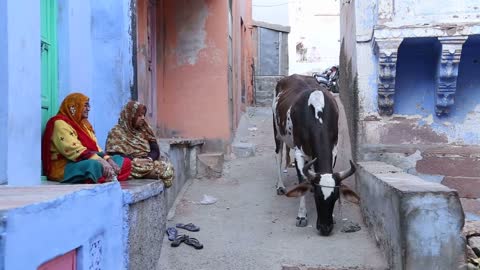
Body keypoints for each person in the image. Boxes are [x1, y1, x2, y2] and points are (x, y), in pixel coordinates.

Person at [42, 93, 132, 183]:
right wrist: (101, 161)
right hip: (65, 165)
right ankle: (104, 176)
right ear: (73, 107)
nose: (88, 109)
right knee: (93, 165)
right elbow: (74, 150)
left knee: (124, 162)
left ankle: (102, 177)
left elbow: (97, 148)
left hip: (87, 159)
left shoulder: (85, 125)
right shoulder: (59, 123)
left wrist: (108, 159)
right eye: (85, 105)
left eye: (88, 106)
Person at [105, 100, 174, 187]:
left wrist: (148, 159)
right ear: (131, 116)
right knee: (127, 167)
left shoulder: (144, 129)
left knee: (167, 168)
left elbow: (154, 149)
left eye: (143, 115)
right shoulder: (117, 132)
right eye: (139, 115)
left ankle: (147, 172)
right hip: (131, 164)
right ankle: (146, 173)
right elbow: (115, 154)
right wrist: (137, 161)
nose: (143, 118)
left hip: (147, 162)